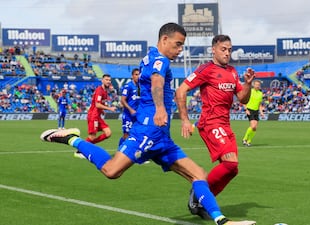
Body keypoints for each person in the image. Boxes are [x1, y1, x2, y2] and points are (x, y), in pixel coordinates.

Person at [40, 22, 256, 225]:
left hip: (162, 135)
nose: (180, 49)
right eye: (178, 44)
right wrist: (161, 108)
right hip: (148, 130)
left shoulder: (150, 57)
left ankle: (221, 220)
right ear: (164, 39)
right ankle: (72, 138)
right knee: (111, 171)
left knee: (198, 174)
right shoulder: (161, 60)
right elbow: (156, 81)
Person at [175, 35, 255, 219]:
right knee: (230, 162)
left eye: (229, 50)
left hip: (225, 124)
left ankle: (203, 198)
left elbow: (243, 99)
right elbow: (181, 90)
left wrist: (247, 84)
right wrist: (185, 120)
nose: (227, 53)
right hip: (210, 123)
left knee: (232, 169)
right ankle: (197, 194)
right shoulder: (206, 69)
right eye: (223, 49)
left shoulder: (233, 72)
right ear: (213, 49)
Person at [74, 74, 117, 159]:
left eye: (109, 80)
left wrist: (102, 111)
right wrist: (109, 108)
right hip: (93, 116)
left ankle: (88, 146)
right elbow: (97, 104)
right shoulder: (99, 90)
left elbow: (99, 104)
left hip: (98, 116)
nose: (108, 81)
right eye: (106, 80)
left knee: (108, 133)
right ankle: (79, 151)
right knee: (92, 136)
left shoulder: (105, 91)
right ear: (102, 80)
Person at [119, 68, 140, 147]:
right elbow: (123, 100)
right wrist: (131, 110)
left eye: (139, 75)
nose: (138, 76)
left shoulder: (140, 87)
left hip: (137, 115)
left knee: (138, 135)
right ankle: (120, 151)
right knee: (126, 135)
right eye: (136, 74)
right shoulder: (128, 86)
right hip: (128, 115)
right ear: (132, 76)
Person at [242, 80, 264, 147]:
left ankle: (249, 141)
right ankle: (245, 138)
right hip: (250, 110)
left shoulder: (260, 93)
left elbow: (259, 104)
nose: (257, 86)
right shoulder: (250, 91)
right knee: (253, 126)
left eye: (258, 85)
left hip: (256, 111)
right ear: (253, 85)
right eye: (256, 84)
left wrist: (261, 112)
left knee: (255, 128)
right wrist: (246, 109)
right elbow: (243, 100)